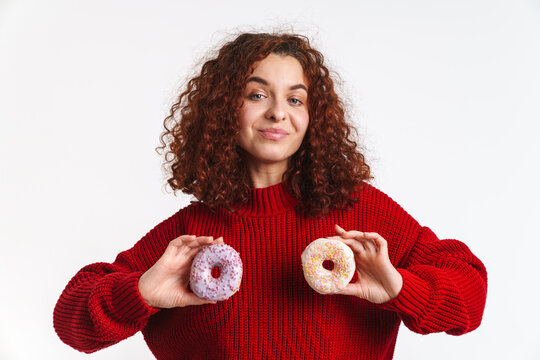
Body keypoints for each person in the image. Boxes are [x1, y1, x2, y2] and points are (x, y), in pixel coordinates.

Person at [53, 32, 488, 360]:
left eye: (296, 100)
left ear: (313, 117)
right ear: (225, 109)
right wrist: (141, 294)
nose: (278, 111)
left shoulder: (360, 213)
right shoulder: (189, 239)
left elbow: (470, 293)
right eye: (257, 94)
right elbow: (71, 321)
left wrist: (401, 288)